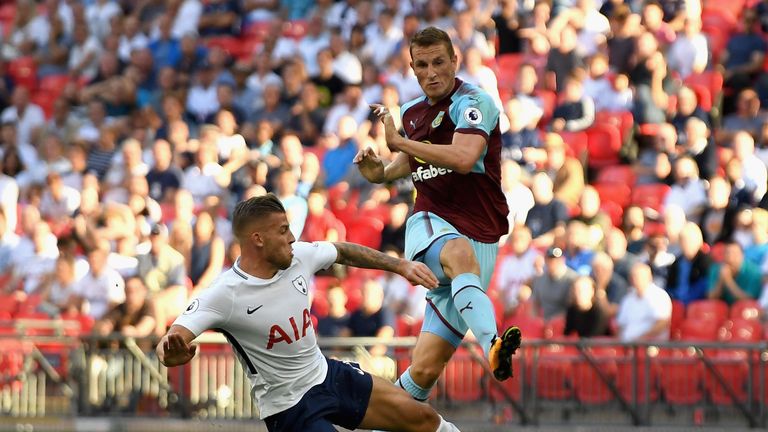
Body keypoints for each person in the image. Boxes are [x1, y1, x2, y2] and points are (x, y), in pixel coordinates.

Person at [156, 195, 460, 432]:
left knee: (422, 417)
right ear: (258, 239)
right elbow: (171, 342)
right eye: (283, 230)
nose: (292, 237)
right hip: (289, 408)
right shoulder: (224, 294)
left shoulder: (298, 255)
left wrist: (401, 266)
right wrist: (171, 353)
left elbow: (342, 250)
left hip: (326, 375)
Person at [354, 27, 521, 404]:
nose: (431, 72)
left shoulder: (474, 102)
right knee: (458, 253)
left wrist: (399, 143)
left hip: (483, 234)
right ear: (413, 68)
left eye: (438, 62)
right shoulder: (412, 112)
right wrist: (379, 172)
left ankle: (382, 422)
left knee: (425, 370)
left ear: (455, 61)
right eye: (422, 65)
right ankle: (493, 345)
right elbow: (402, 164)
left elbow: (463, 158)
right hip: (431, 221)